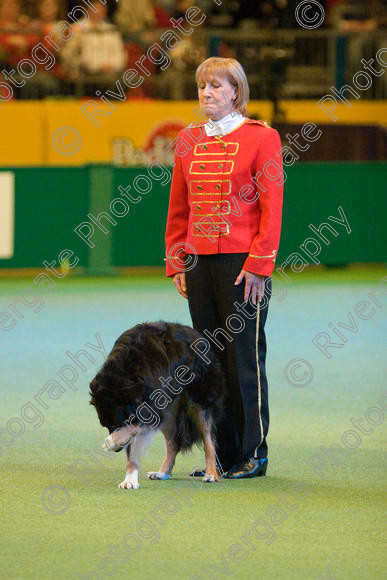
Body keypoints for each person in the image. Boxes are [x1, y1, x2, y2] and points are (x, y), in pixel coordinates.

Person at [165, 57, 283, 479]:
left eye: (216, 86)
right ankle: (222, 456)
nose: (207, 94)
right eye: (202, 87)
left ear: (236, 91)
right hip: (199, 262)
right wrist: (177, 260)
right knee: (210, 362)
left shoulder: (262, 138)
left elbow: (272, 208)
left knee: (244, 361)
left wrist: (259, 265)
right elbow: (179, 207)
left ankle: (254, 454)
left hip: (242, 265)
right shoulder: (187, 140)